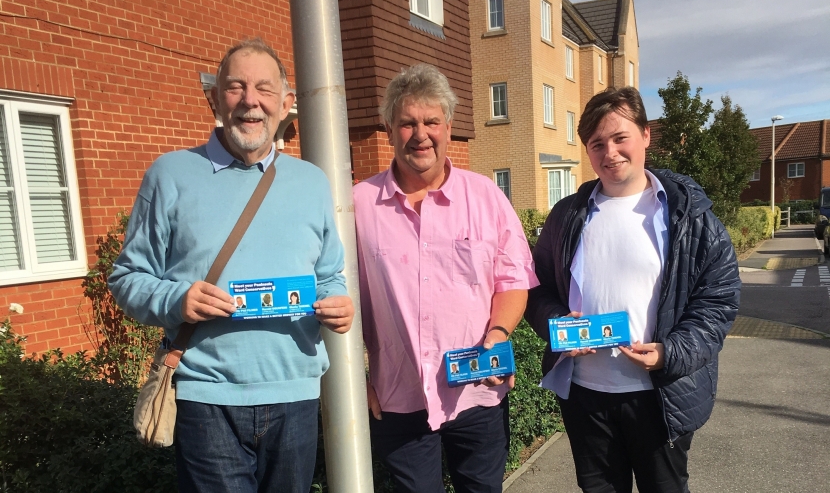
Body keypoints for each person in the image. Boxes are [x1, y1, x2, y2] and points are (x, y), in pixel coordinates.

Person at [109, 38, 354, 493]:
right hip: (207, 398)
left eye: (264, 88)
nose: (250, 101)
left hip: (296, 395)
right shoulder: (170, 175)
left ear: (285, 103)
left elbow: (330, 273)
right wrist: (176, 299)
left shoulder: (312, 182)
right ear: (214, 98)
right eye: (236, 87)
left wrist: (338, 304)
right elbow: (126, 277)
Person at [524, 86, 739, 493]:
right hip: (585, 395)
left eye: (620, 138)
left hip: (659, 397)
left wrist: (670, 353)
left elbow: (718, 300)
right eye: (597, 144)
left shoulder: (689, 215)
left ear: (645, 135)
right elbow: (536, 289)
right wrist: (557, 325)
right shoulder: (567, 215)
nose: (610, 153)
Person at [353, 63, 538, 492]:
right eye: (407, 123)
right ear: (388, 129)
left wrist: (498, 332)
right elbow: (340, 297)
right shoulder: (358, 205)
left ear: (448, 126)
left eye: (431, 121)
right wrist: (355, 377)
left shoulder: (487, 197)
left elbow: (512, 279)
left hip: (476, 390)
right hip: (399, 396)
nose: (421, 134)